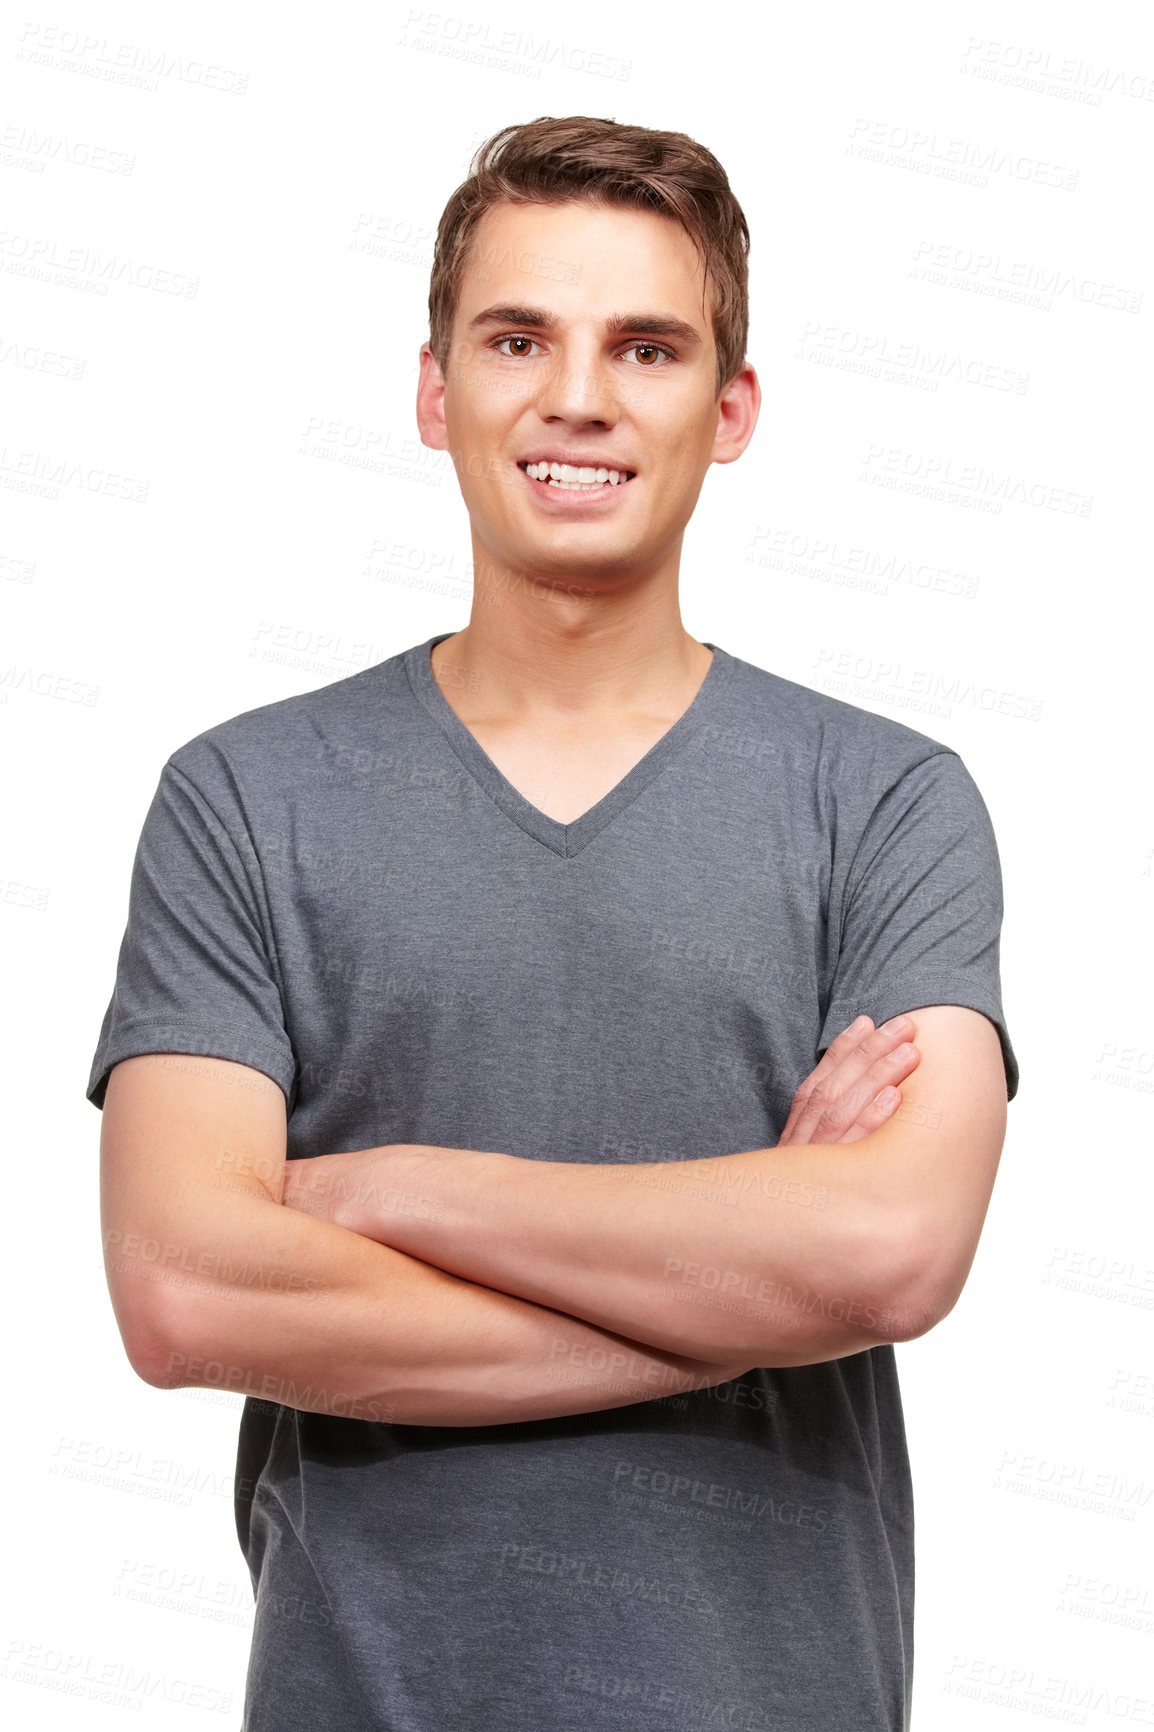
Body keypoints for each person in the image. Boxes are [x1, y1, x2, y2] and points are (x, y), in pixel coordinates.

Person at [89, 116, 1019, 1731]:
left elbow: (886, 1250)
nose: (575, 396)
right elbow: (188, 1295)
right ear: (434, 389)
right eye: (517, 337)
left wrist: (391, 1191)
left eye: (644, 347)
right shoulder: (246, 799)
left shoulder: (885, 803)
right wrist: (745, 1296)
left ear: (728, 410)